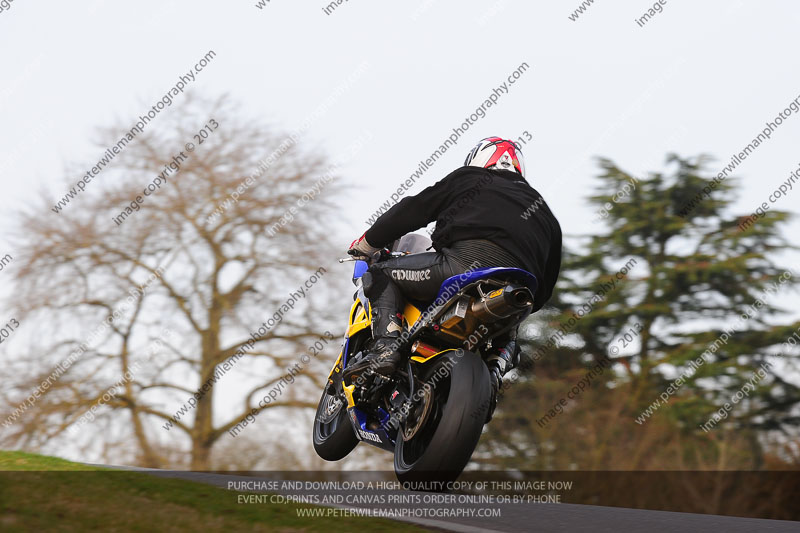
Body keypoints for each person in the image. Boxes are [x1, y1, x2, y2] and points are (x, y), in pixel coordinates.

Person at [343, 137, 562, 399]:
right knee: (510, 330)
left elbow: (413, 210)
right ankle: (494, 371)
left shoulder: (469, 179)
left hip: (461, 266)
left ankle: (386, 348)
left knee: (380, 274)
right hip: (518, 290)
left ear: (479, 160)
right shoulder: (543, 209)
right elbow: (546, 284)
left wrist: (368, 243)